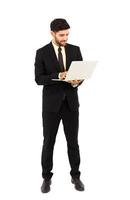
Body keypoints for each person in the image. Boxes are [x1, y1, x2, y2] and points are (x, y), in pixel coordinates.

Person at [34, 18, 85, 193]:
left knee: (73, 142)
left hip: (71, 104)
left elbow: (81, 75)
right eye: (62, 35)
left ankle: (76, 176)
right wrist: (58, 75)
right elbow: (38, 79)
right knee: (48, 142)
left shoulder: (75, 50)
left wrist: (76, 81)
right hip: (51, 106)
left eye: (67, 34)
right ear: (52, 33)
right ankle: (46, 178)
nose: (65, 38)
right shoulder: (42, 52)